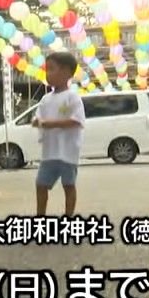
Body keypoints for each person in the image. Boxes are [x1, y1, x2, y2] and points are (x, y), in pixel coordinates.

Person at [31, 52, 85, 216]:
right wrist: (37, 122)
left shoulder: (72, 97)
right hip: (50, 152)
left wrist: (50, 124)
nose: (48, 74)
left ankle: (68, 217)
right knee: (41, 185)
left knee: (68, 185)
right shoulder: (46, 99)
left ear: (66, 72)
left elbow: (77, 120)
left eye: (52, 69)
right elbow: (39, 117)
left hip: (68, 152)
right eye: (47, 70)